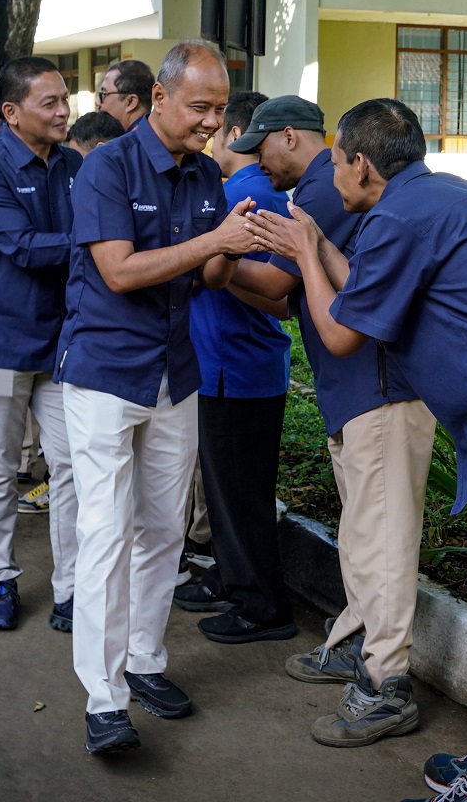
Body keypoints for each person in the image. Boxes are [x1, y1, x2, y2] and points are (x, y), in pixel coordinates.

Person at [250, 99, 467, 785]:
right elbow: (370, 296)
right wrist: (318, 248)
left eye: (337, 159)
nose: (331, 172)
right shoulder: (429, 201)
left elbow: (345, 330)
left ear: (362, 165)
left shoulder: (400, 216)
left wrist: (303, 255)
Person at [54, 39, 257, 754]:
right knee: (106, 534)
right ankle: (103, 698)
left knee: (164, 531)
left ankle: (144, 661)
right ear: (159, 99)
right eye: (199, 107)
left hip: (176, 374)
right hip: (107, 374)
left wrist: (236, 239)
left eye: (219, 110)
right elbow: (118, 272)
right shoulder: (106, 166)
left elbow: (206, 278)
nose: (211, 122)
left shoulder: (205, 174)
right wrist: (216, 240)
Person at [224, 94, 435, 741]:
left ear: (294, 137)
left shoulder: (319, 189)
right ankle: (361, 643)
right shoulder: (323, 190)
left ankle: (389, 682)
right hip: (357, 390)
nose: (261, 161)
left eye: (264, 146)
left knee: (384, 536)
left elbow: (277, 288)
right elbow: (302, 300)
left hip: (380, 388)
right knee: (364, 532)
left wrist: (213, 259)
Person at [0, 57, 84, 633]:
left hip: (59, 341)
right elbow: (28, 249)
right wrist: (101, 242)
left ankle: (72, 590)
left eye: (65, 100)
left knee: (70, 466)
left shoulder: (70, 165)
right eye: (51, 103)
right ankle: (1, 579)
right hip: (1, 338)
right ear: (11, 113)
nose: (64, 111)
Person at [174, 91, 297, 644]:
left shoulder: (240, 195)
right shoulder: (252, 192)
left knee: (240, 493)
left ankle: (261, 606)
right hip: (242, 364)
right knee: (230, 491)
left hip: (234, 367)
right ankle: (230, 578)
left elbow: (262, 287)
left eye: (217, 125)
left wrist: (205, 262)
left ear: (236, 135)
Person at [94, 59, 153, 132]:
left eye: (104, 94)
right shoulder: (154, 134)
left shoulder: (133, 142)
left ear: (131, 102)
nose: (97, 102)